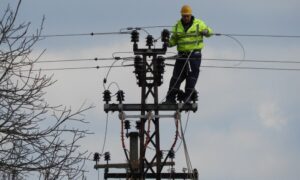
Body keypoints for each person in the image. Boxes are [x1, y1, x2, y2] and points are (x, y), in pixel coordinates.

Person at [165, 4, 213, 103]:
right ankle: (170, 99)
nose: (186, 17)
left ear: (191, 15)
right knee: (176, 76)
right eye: (184, 16)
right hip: (182, 54)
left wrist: (206, 31)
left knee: (192, 76)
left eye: (187, 16)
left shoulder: (198, 24)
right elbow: (173, 40)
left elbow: (210, 32)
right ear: (181, 15)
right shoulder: (177, 25)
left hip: (194, 54)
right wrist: (167, 43)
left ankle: (188, 97)